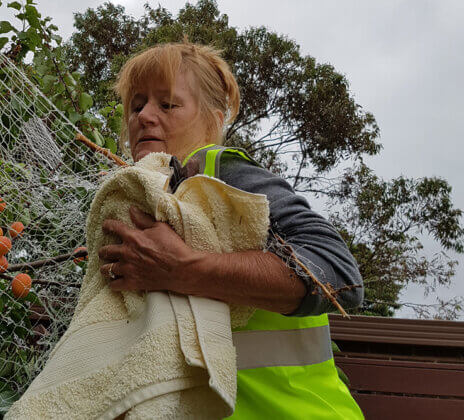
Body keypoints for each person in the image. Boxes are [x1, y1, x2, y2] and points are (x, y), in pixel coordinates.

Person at [97, 41, 364, 419]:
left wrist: (185, 270)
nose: (144, 116)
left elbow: (340, 275)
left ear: (214, 118)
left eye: (168, 104)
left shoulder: (223, 175)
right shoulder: (142, 200)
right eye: (136, 105)